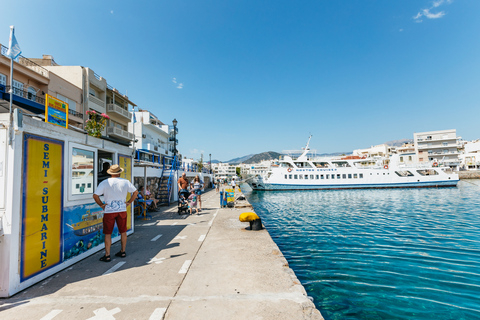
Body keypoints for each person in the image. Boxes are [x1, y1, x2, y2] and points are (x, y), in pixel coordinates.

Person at [93, 164, 138, 262]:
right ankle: (122, 251)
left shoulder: (105, 182)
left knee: (108, 233)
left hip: (109, 211)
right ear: (119, 172)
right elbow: (135, 192)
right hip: (122, 210)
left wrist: (101, 205)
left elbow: (95, 196)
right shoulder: (125, 182)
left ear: (110, 172)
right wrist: (129, 202)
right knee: (123, 231)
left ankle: (107, 255)